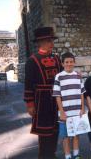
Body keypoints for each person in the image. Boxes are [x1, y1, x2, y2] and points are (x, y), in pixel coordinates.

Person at [24, 27, 62, 159]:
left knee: (56, 129)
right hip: (42, 101)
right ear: (40, 42)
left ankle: (52, 154)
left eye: (52, 40)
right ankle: (44, 156)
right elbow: (28, 84)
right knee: (44, 132)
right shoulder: (32, 61)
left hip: (56, 100)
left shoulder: (57, 59)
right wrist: (30, 103)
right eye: (48, 41)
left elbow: (62, 77)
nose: (52, 44)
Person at [52, 52, 85, 159]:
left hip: (77, 112)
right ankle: (67, 155)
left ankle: (76, 154)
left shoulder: (78, 76)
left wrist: (82, 108)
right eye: (66, 62)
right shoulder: (59, 77)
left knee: (76, 135)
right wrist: (61, 111)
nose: (69, 64)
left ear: (74, 63)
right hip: (64, 113)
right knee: (65, 136)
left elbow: (81, 93)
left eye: (71, 62)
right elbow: (57, 95)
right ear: (62, 64)